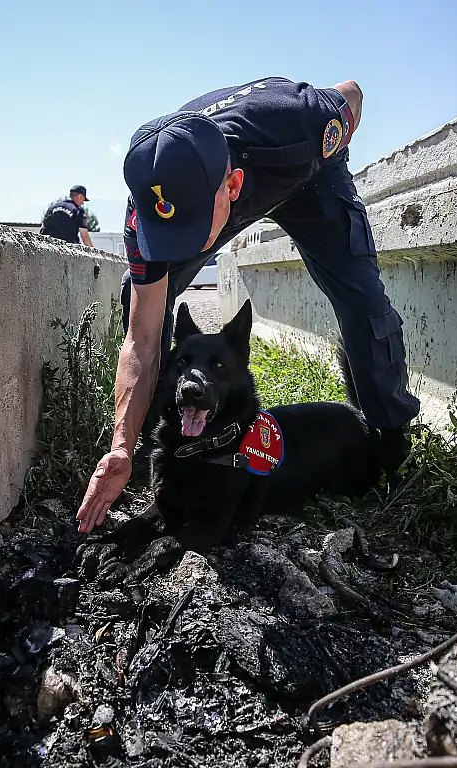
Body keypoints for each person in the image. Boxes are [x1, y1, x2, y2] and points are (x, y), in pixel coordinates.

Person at [77, 77, 420, 533]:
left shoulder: (304, 121)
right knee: (137, 293)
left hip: (306, 175)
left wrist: (331, 154)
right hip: (226, 180)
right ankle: (169, 435)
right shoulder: (147, 207)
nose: (178, 248)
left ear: (233, 186)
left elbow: (351, 93)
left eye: (189, 230)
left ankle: (392, 434)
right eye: (167, 236)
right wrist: (121, 444)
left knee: (361, 299)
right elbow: (141, 337)